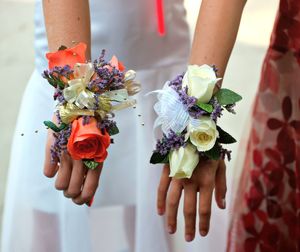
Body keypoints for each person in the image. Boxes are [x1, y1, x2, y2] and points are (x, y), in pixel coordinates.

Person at [1, 0, 229, 251]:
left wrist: (198, 107)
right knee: (52, 215)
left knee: (154, 212)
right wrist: (75, 95)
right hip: (66, 42)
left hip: (162, 58)